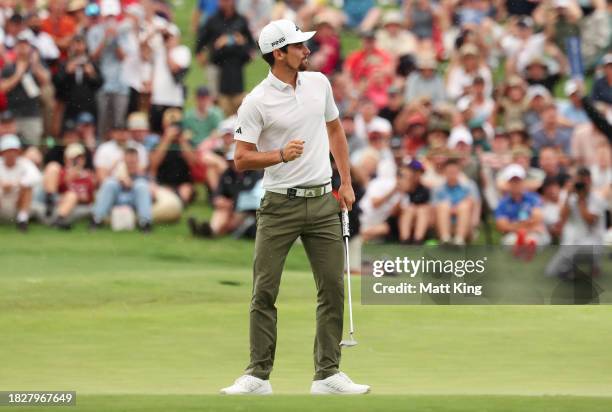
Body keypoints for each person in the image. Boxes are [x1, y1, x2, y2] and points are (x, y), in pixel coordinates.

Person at [221, 19, 369, 395]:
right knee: (265, 291)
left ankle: (327, 375)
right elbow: (241, 159)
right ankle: (257, 375)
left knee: (334, 287)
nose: (307, 50)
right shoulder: (255, 101)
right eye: (299, 46)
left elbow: (335, 130)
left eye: (305, 45)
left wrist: (346, 181)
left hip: (323, 201)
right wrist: (279, 155)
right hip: (279, 206)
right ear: (278, 54)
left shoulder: (319, 83)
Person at [545, 168, 607, 278]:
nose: (582, 185)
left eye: (584, 181)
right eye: (579, 181)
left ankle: (593, 265)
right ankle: (570, 268)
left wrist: (581, 200)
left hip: (594, 242)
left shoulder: (598, 199)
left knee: (576, 248)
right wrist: (568, 196)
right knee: (551, 272)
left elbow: (590, 221)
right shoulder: (571, 197)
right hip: (575, 241)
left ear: (590, 181)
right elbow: (562, 219)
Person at [495, 163, 550, 248]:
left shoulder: (533, 198)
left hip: (533, 233)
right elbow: (502, 226)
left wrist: (513, 225)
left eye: (518, 181)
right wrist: (527, 226)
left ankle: (525, 250)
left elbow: (538, 218)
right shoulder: (502, 203)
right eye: (513, 181)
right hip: (516, 233)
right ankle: (524, 250)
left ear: (523, 181)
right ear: (508, 183)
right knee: (511, 241)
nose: (515, 184)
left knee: (533, 239)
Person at [0, 134, 41, 231]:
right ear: (2, 152)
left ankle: (22, 220)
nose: (11, 154)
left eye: (14, 151)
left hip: (17, 202)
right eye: (8, 151)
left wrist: (15, 184)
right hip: (2, 201)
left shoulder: (25, 163)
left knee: (27, 188)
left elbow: (36, 177)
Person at [398, 159, 431, 244]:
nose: (416, 175)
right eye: (414, 172)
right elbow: (396, 209)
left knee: (421, 210)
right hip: (400, 218)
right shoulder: (401, 187)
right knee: (409, 210)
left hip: (420, 217)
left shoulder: (425, 189)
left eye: (419, 172)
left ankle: (418, 240)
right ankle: (405, 240)